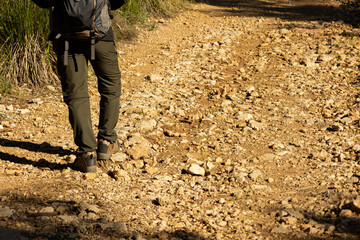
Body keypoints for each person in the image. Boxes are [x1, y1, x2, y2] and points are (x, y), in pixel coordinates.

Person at [32, 0, 125, 173]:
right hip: (101, 37)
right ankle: (106, 142)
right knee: (110, 86)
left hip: (66, 39)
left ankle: (87, 154)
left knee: (76, 94)